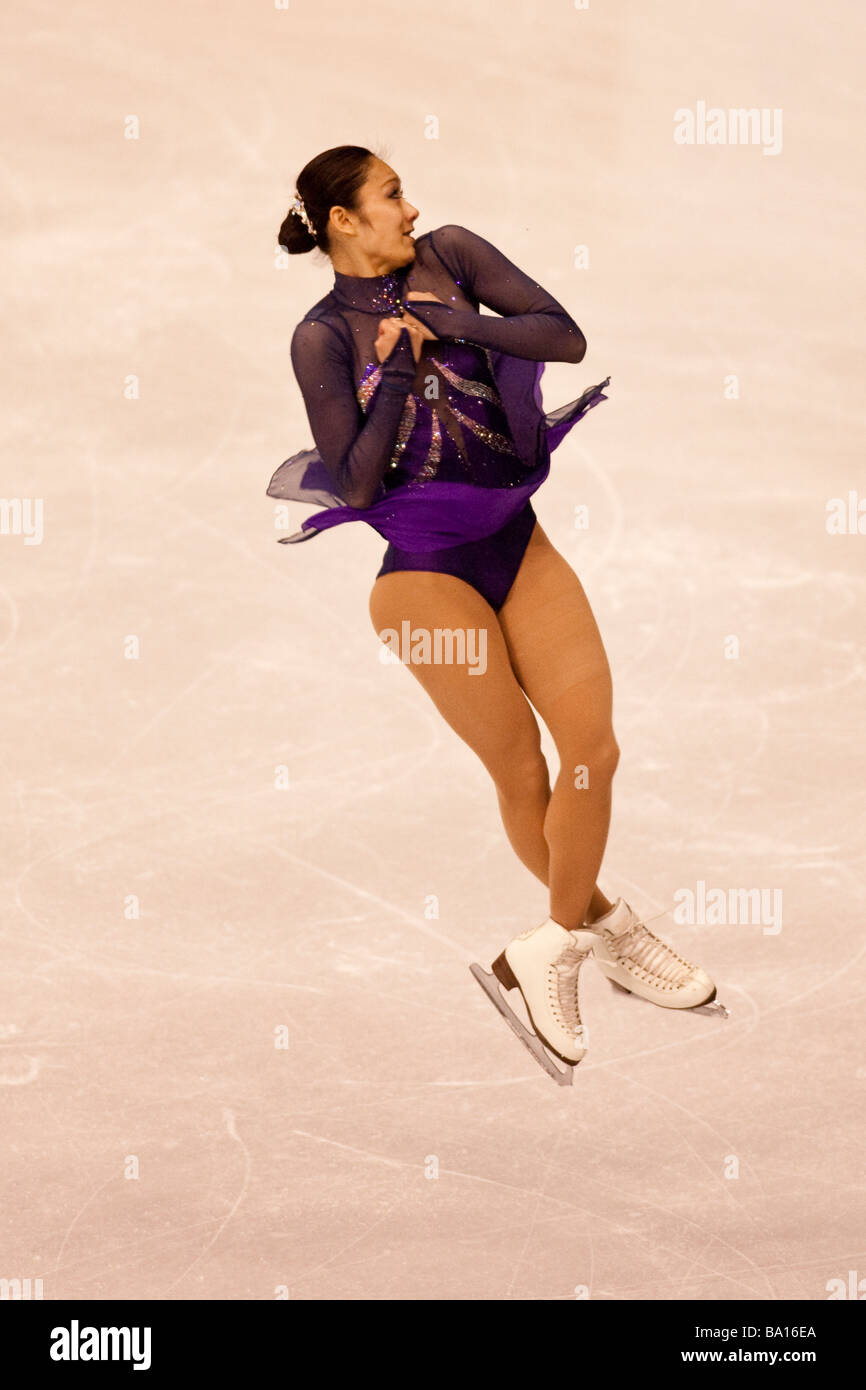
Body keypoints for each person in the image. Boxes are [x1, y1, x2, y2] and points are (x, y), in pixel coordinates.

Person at [271, 145, 725, 1082]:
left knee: (593, 752)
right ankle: (606, 929)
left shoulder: (453, 254)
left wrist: (450, 321)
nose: (410, 206)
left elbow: (564, 338)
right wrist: (398, 370)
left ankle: (553, 943)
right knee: (523, 772)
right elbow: (354, 481)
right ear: (344, 222)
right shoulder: (321, 337)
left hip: (519, 542)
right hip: (423, 578)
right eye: (390, 195)